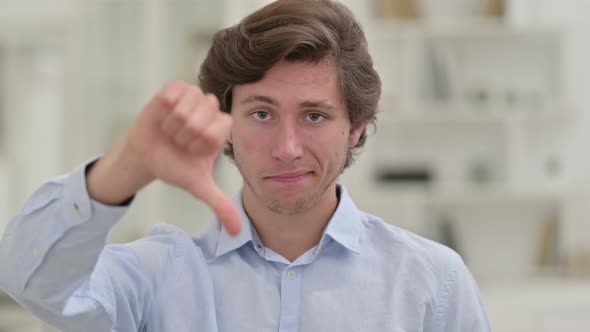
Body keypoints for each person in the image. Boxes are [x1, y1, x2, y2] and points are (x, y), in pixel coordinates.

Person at [0, 0, 490, 331]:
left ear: (356, 127)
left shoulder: (433, 282)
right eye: (261, 113)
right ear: (225, 121)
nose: (287, 147)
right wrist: (125, 167)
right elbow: (27, 279)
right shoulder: (155, 276)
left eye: (314, 115)